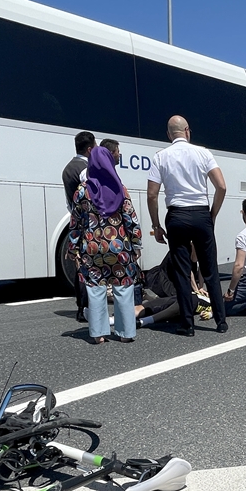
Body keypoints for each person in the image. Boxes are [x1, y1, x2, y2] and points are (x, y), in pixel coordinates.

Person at [146, 115, 228, 336]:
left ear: (168, 134)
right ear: (188, 131)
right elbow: (221, 186)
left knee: (182, 272)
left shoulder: (160, 157)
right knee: (210, 270)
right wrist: (212, 214)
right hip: (201, 213)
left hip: (177, 216)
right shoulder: (203, 152)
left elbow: (152, 195)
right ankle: (221, 322)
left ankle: (187, 324)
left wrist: (156, 225)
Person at [68, 146, 142, 344]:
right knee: (123, 287)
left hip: (92, 247)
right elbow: (131, 219)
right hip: (119, 247)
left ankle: (98, 334)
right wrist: (136, 245)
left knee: (95, 288)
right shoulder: (120, 188)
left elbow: (76, 222)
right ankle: (126, 333)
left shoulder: (82, 191)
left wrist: (73, 248)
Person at [62, 131, 96, 323]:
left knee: (80, 265)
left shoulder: (68, 168)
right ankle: (86, 307)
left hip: (76, 220)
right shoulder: (85, 168)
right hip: (88, 223)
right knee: (89, 267)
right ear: (90, 148)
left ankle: (82, 306)